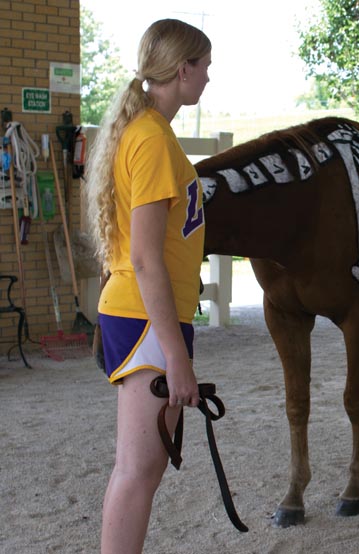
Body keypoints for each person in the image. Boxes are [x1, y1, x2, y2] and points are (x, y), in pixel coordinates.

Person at [84, 19, 211, 554]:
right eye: (204, 66)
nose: (208, 77)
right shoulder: (153, 139)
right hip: (146, 318)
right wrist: (178, 357)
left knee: (145, 468)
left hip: (144, 315)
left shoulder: (148, 133)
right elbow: (145, 258)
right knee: (138, 470)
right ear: (182, 70)